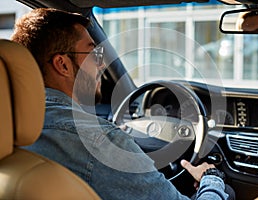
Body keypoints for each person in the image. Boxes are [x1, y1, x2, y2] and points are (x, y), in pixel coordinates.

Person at [11, 8, 232, 200]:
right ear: (63, 65)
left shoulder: (10, 128)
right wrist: (211, 180)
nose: (101, 65)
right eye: (93, 54)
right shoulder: (98, 141)